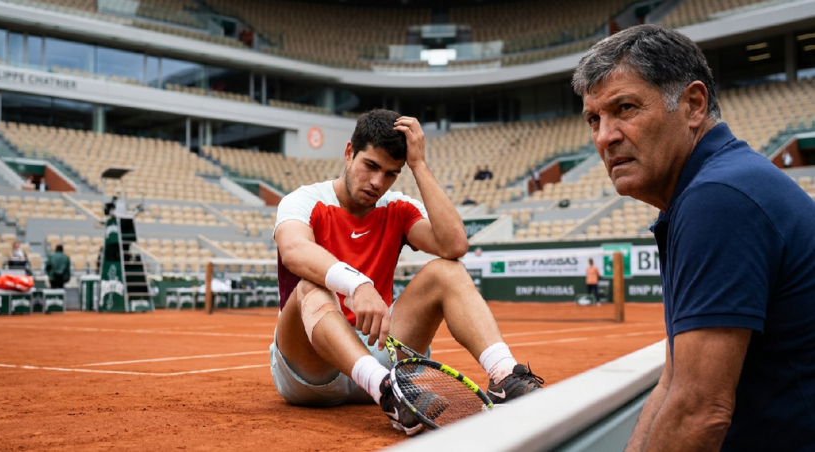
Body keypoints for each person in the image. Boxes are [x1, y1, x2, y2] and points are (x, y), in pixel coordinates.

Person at [573, 24, 815, 451]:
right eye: (594, 118)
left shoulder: (718, 198)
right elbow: (674, 382)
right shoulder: (716, 186)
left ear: (693, 105)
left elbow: (699, 412)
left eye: (625, 108)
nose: (604, 136)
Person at [272, 109, 543, 436]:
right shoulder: (304, 200)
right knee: (309, 286)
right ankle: (387, 390)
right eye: (370, 166)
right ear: (348, 153)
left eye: (390, 174)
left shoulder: (397, 207)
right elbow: (294, 251)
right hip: (312, 367)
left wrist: (419, 165)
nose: (377, 182)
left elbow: (454, 244)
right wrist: (357, 284)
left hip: (380, 355)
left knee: (447, 270)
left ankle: (504, 378)